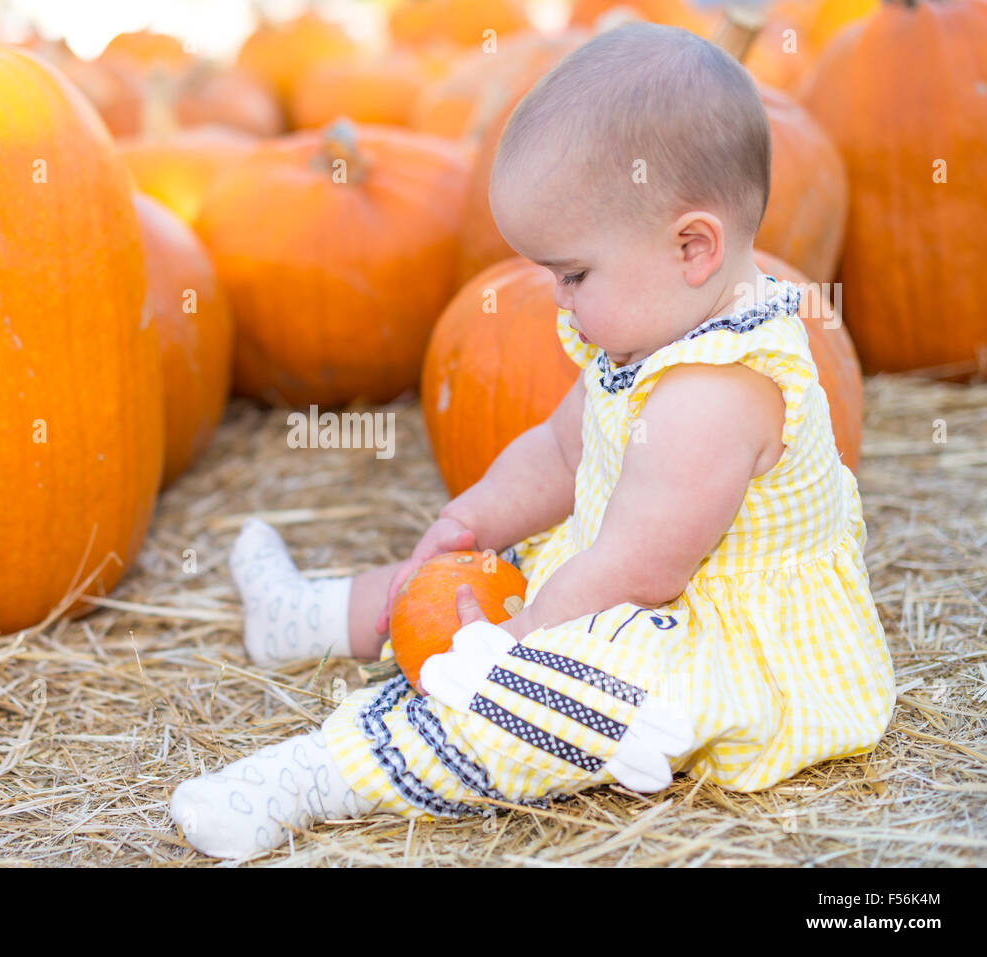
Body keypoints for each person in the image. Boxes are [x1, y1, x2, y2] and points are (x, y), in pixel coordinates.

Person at [168, 22, 896, 860]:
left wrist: (513, 649)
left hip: (712, 641)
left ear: (693, 247)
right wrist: (476, 516)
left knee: (523, 700)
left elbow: (642, 568)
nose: (555, 301)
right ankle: (312, 615)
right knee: (476, 574)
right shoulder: (654, 330)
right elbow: (562, 452)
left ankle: (317, 776)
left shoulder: (717, 393)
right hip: (619, 578)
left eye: (573, 274)